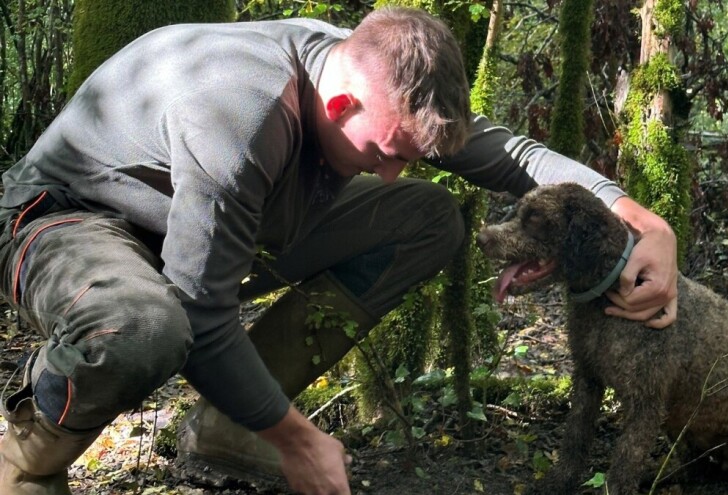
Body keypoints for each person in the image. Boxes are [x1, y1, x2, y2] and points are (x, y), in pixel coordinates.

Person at [0, 7, 677, 495]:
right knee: (145, 326)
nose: (391, 172)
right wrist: (298, 438)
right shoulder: (238, 115)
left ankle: (233, 425)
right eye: (383, 154)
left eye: (407, 156)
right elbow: (200, 312)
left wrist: (642, 221)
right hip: (69, 221)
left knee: (427, 218)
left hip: (217, 226)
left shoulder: (374, 74)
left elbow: (511, 154)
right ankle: (24, 464)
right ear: (340, 105)